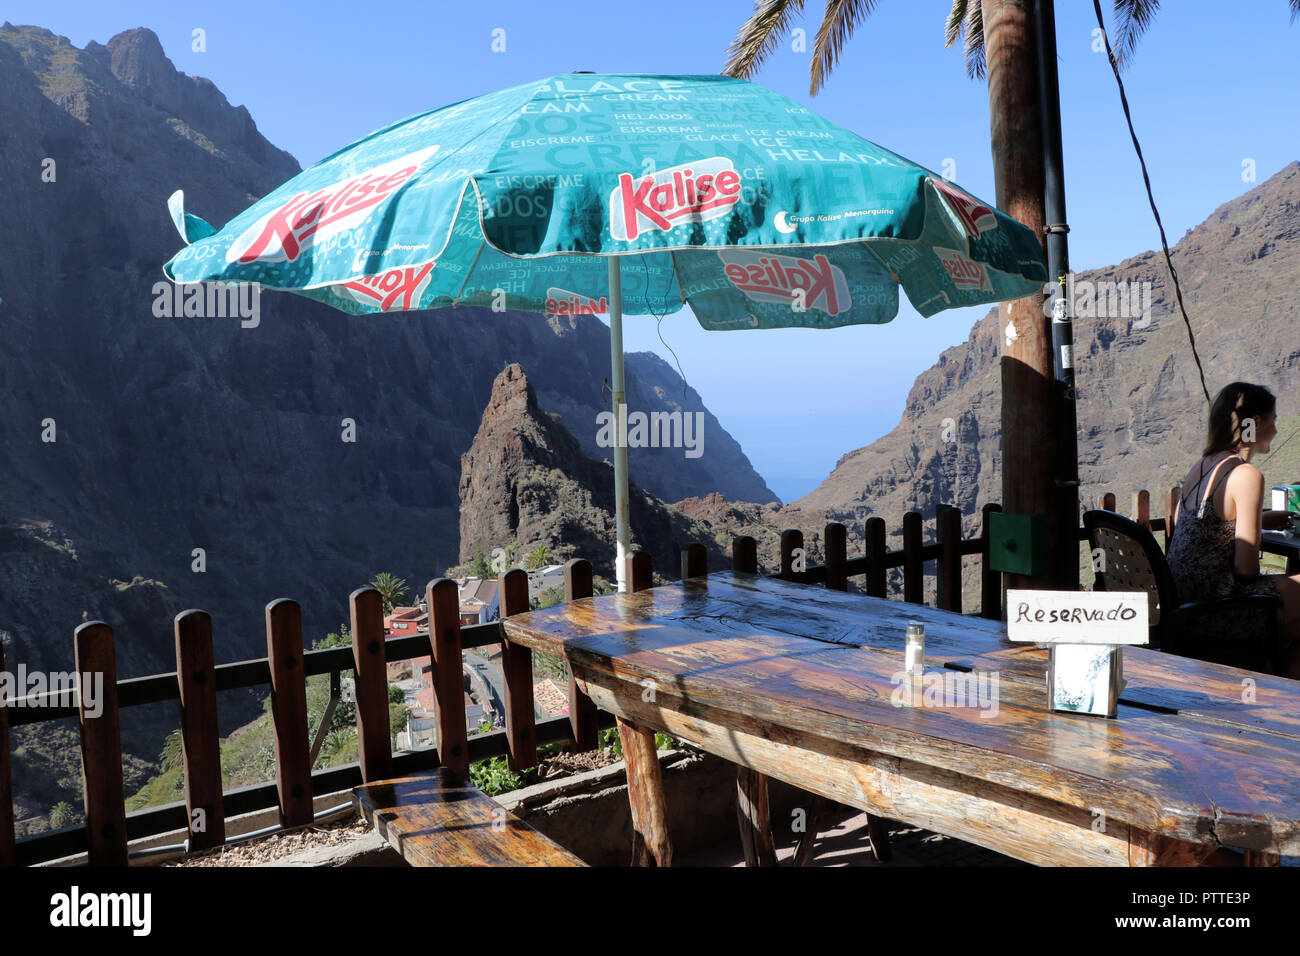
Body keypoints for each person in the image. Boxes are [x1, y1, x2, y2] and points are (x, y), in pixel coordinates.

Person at [1167, 382, 1300, 676]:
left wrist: (1261, 520)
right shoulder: (1245, 474)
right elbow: (1246, 570)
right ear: (1254, 424)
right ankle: (1284, 693)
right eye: (1274, 420)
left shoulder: (1201, 467)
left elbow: (1208, 527)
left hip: (1184, 604)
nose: (1277, 431)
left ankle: (1279, 684)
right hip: (1217, 608)